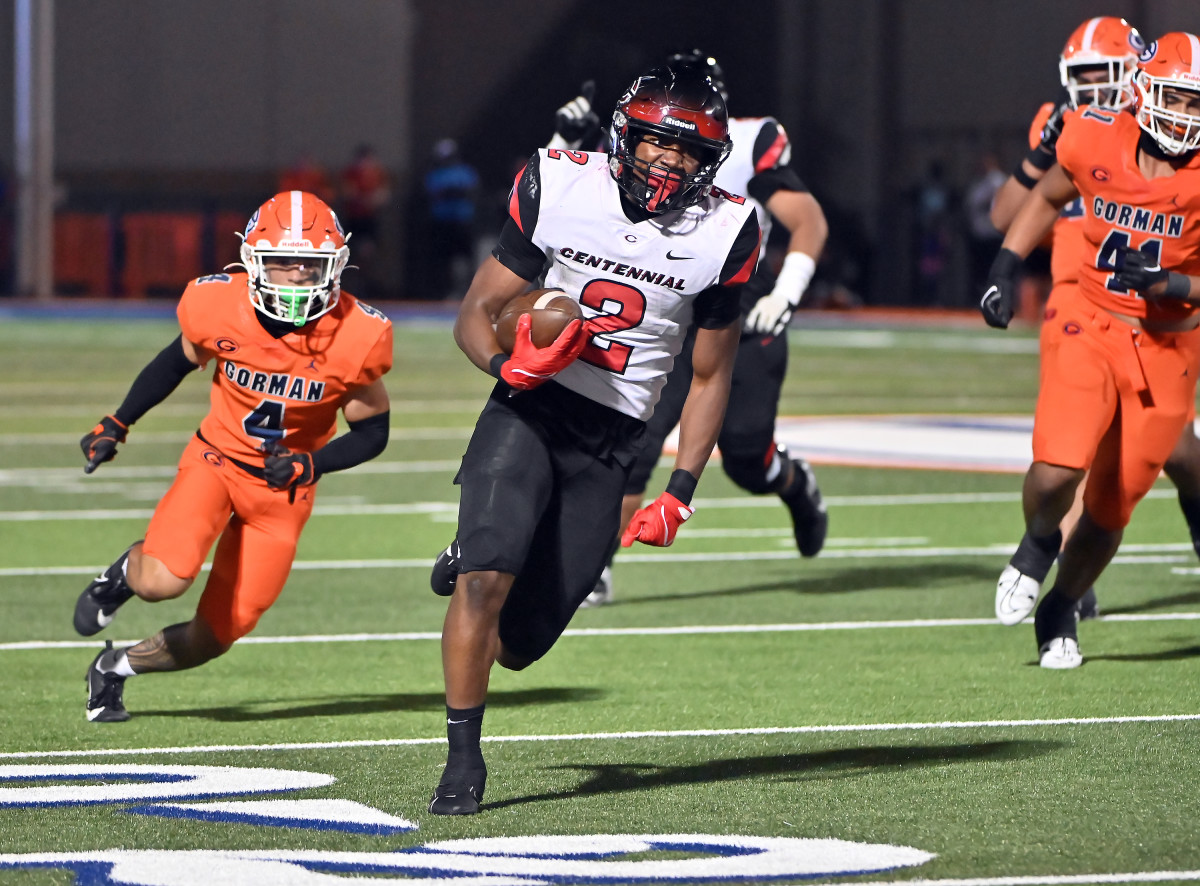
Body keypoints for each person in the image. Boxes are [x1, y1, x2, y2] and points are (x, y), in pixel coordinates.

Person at [426, 65, 760, 814]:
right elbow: (475, 313)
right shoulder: (559, 182)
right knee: (486, 579)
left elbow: (710, 377)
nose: (668, 162)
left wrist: (681, 489)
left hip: (613, 440)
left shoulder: (727, 229)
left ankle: (475, 549)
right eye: (654, 144)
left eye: (687, 152)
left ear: (710, 160)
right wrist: (509, 367)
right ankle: (461, 759)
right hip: (530, 406)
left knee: (520, 646)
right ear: (624, 137)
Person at [76, 190, 393, 721]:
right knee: (163, 580)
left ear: (335, 266)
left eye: (310, 264)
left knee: (217, 635)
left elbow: (373, 431)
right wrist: (118, 421)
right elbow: (173, 363)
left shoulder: (358, 334)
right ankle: (122, 575)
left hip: (284, 489)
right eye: (282, 262)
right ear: (253, 260)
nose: (295, 276)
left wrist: (309, 464)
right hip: (216, 460)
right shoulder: (216, 304)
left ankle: (114, 667)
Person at [548, 50, 830, 608]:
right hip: (672, 315)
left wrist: (787, 292)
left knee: (748, 457)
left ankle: (794, 484)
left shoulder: (749, 144)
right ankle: (594, 561)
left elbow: (808, 219)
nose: (673, 138)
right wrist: (564, 143)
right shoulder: (637, 145)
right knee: (635, 439)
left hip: (741, 313)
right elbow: (561, 205)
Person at [979, 32, 1200, 669]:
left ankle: (1061, 606)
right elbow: (1047, 194)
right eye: (1175, 99)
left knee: (1111, 506)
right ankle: (1037, 545)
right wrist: (1004, 264)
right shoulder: (1090, 133)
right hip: (1089, 316)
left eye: (1195, 104)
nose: (1183, 116)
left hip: (1168, 346)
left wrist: (1173, 285)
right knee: (1056, 467)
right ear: (1144, 92)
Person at [988, 15, 1146, 626]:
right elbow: (1008, 214)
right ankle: (1063, 571)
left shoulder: (1158, 132)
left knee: (1129, 457)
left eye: (1101, 77)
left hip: (1147, 310)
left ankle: (1071, 568)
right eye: (1080, 79)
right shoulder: (1063, 125)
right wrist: (1039, 151)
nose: (1091, 92)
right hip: (1074, 303)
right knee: (1071, 450)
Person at [423, 138, 481, 299]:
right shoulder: (435, 174)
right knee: (442, 260)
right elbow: (434, 193)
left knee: (466, 258)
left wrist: (451, 192)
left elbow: (472, 191)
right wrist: (455, 191)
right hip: (442, 222)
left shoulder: (465, 171)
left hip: (462, 221)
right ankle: (443, 292)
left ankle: (467, 291)